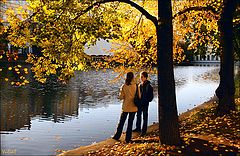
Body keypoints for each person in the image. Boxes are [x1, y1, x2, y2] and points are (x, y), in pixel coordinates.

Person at [112, 72, 138, 143]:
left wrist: (120, 94)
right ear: (133, 77)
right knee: (130, 123)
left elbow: (121, 97)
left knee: (121, 122)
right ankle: (128, 139)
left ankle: (117, 136)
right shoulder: (136, 85)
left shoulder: (124, 86)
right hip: (134, 107)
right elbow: (139, 96)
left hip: (126, 107)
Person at [133, 71, 153, 136]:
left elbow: (151, 97)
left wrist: (145, 100)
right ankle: (138, 128)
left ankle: (144, 131)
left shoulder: (149, 86)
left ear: (145, 77)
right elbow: (137, 95)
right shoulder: (139, 85)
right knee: (138, 116)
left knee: (145, 117)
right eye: (140, 77)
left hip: (145, 104)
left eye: (142, 77)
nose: (140, 78)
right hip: (139, 104)